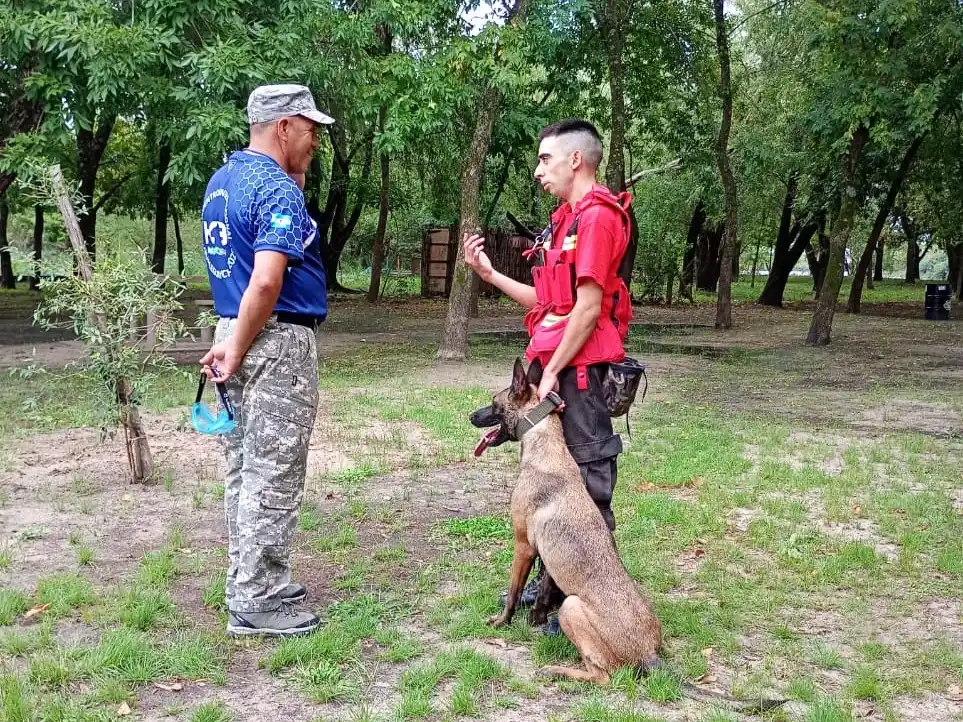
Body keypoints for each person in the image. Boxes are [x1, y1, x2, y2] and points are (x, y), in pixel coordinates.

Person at [463, 119, 633, 632]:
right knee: (553, 489)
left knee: (588, 485)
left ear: (576, 160)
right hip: (556, 368)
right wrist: (492, 276)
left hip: (578, 375)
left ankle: (595, 608)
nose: (538, 170)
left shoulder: (599, 218)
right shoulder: (567, 221)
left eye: (545, 159)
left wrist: (552, 373)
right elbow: (551, 302)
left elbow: (588, 308)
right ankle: (551, 585)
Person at [199, 84, 334, 637]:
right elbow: (268, 278)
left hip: (235, 327)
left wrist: (231, 340)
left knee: (243, 467)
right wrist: (240, 343)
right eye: (310, 130)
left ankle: (245, 578)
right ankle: (259, 599)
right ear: (284, 127)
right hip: (274, 341)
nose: (316, 142)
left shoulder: (222, 182)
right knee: (273, 472)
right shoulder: (274, 187)